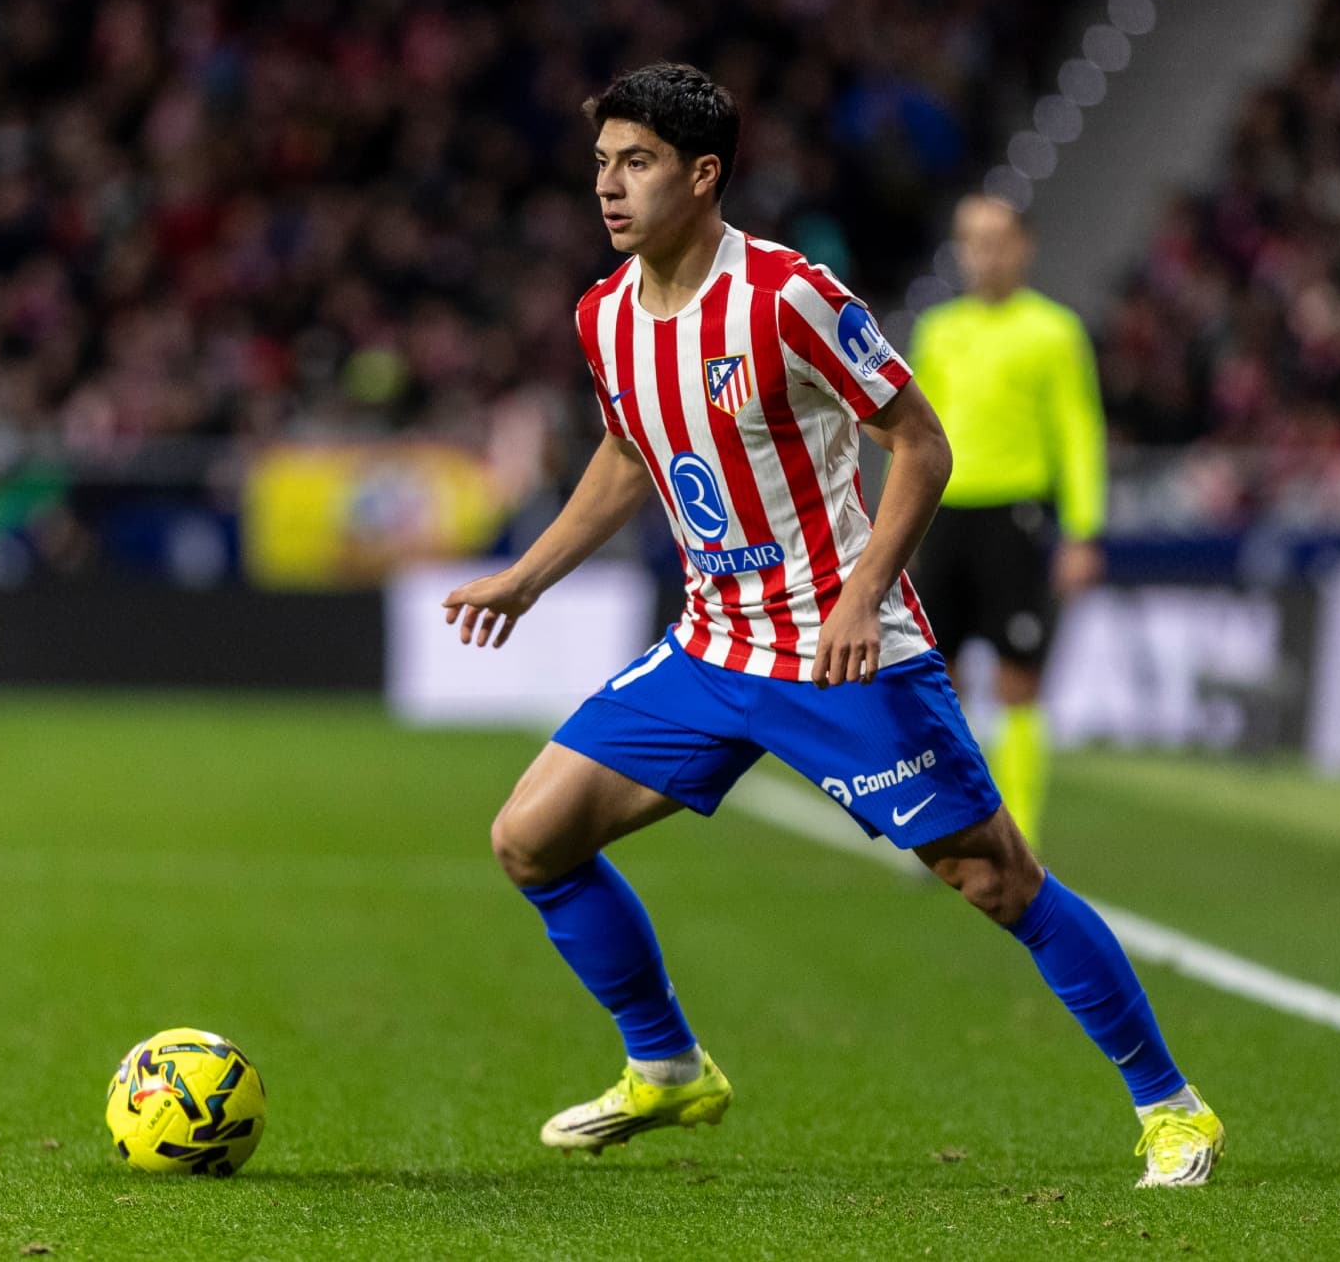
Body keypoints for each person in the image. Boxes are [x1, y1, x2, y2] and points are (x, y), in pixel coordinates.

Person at [441, 63, 1221, 1187]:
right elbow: (628, 453)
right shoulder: (604, 317)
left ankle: (1173, 1106)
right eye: (602, 163)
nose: (609, 188)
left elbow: (922, 444)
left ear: (703, 176)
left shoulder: (786, 297)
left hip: (834, 642)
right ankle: (667, 1066)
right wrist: (528, 576)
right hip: (713, 643)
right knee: (532, 838)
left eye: (638, 164)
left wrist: (863, 593)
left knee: (996, 878)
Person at [905, 195, 1108, 852]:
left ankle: (1016, 829)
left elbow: (1079, 433)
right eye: (970, 239)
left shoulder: (1054, 331)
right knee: (940, 675)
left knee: (1018, 677)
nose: (982, 252)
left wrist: (1083, 528)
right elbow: (913, 435)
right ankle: (953, 821)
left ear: (1025, 245)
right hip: (943, 515)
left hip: (1015, 516)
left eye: (995, 238)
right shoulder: (936, 330)